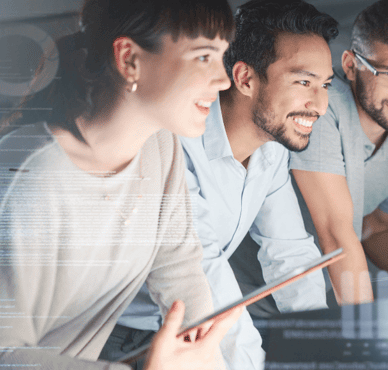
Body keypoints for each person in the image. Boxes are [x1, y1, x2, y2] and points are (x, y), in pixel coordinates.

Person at [0, 0, 242, 369]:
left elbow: (177, 265)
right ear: (129, 59)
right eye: (204, 57)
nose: (224, 80)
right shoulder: (29, 178)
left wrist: (204, 351)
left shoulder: (161, 145)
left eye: (223, 57)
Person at [104, 1, 338, 368]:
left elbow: (290, 254)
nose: (320, 105)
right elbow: (202, 268)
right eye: (304, 82)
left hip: (194, 332)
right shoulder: (175, 143)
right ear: (245, 78)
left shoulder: (271, 153)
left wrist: (320, 346)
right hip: (119, 338)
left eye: (324, 85)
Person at [291, 0, 388, 305]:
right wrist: (366, 332)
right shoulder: (323, 108)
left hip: (314, 300)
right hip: (251, 297)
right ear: (350, 66)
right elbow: (336, 234)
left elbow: (374, 230)